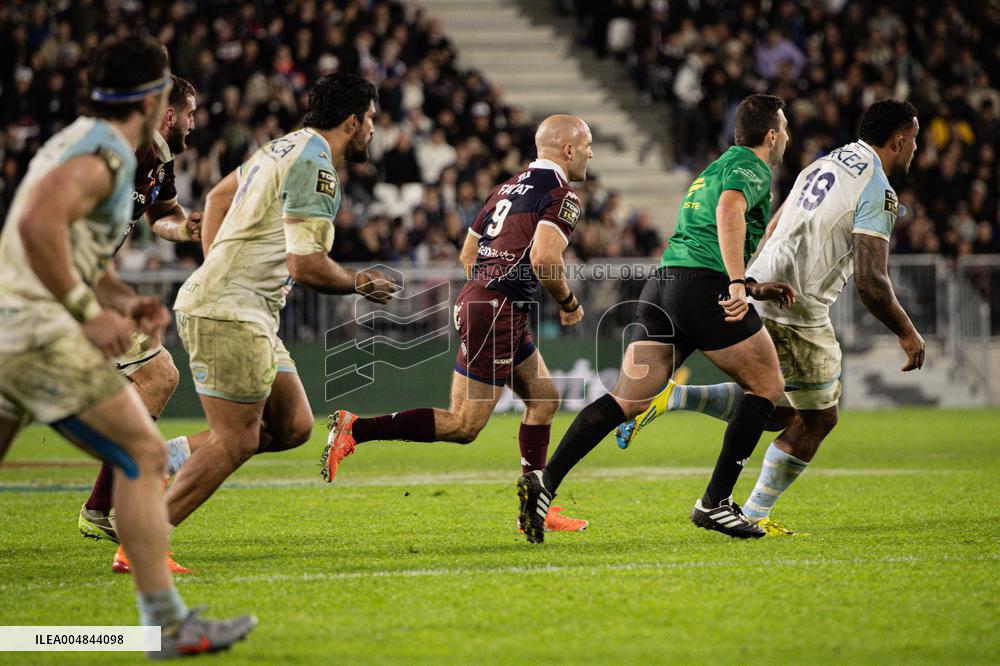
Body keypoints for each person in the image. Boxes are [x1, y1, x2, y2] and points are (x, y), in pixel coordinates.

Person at [0, 36, 254, 658]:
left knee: (141, 446)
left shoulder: (92, 142)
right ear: (152, 97)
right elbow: (37, 226)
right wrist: (88, 311)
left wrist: (119, 299)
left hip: (15, 322)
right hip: (37, 328)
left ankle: (164, 624)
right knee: (143, 457)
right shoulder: (111, 152)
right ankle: (166, 627)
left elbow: (75, 241)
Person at [615, 100, 926, 535]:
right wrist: (908, 334)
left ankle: (674, 398)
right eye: (913, 140)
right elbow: (871, 280)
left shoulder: (827, 161)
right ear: (898, 140)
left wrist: (752, 278)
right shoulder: (879, 188)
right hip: (800, 306)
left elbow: (778, 218)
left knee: (776, 410)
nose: (915, 149)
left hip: (766, 283)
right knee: (819, 418)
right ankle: (753, 510)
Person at [518, 94, 796, 543]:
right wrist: (739, 284)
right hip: (704, 286)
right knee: (768, 388)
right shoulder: (752, 166)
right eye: (783, 129)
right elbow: (728, 212)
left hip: (665, 282)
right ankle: (716, 503)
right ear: (770, 135)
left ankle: (544, 483)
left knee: (627, 399)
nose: (786, 137)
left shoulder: (717, 164)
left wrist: (752, 283)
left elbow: (706, 227)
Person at [322, 115, 594, 533]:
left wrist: (482, 296)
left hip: (486, 303)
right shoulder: (562, 196)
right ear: (569, 149)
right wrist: (569, 302)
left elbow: (468, 254)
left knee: (543, 399)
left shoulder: (505, 188)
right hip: (497, 310)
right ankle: (356, 429)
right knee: (465, 425)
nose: (591, 153)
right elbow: (544, 259)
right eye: (587, 144)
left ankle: (536, 506)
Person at [160, 73, 398, 550]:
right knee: (238, 440)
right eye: (370, 118)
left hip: (246, 307)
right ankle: (144, 538)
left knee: (293, 426)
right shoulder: (319, 166)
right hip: (233, 311)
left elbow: (217, 198)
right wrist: (359, 282)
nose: (373, 128)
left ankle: (165, 458)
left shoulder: (283, 147)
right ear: (352, 121)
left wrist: (220, 264)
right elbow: (306, 265)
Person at [77, 76, 205, 572]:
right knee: (156, 375)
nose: (194, 123)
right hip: (65, 284)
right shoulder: (122, 153)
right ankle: (106, 506)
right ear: (168, 115)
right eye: (190, 113)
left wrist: (185, 228)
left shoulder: (160, 159)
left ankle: (100, 506)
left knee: (155, 375)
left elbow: (161, 216)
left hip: (88, 283)